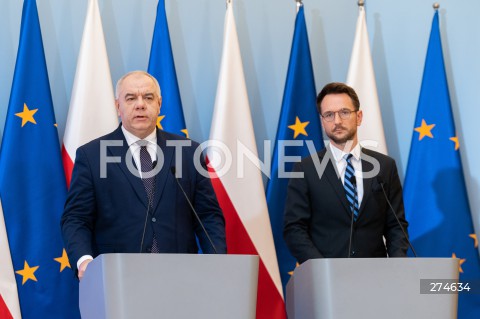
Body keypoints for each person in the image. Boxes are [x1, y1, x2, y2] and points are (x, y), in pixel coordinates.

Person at [61, 71, 226, 279]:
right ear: (117, 106)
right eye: (131, 98)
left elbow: (208, 215)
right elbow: (76, 218)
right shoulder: (93, 155)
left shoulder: (188, 152)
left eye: (148, 97)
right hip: (117, 280)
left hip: (181, 279)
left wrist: (219, 262)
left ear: (159, 103)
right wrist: (85, 261)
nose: (140, 105)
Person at [283, 82, 409, 263]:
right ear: (322, 121)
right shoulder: (305, 169)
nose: (337, 121)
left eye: (344, 112)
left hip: (376, 278)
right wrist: (323, 270)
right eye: (329, 115)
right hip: (327, 280)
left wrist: (396, 266)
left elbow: (396, 226)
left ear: (359, 117)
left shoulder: (384, 167)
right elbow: (294, 228)